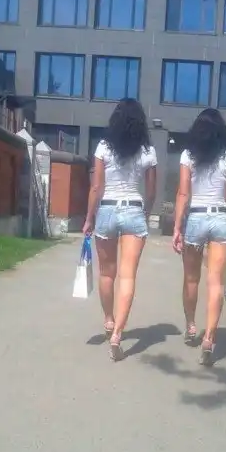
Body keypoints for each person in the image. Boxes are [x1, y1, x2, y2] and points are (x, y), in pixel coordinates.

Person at [82, 98, 157, 361]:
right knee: (128, 276)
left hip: (107, 210)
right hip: (134, 209)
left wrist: (89, 218)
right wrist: (146, 213)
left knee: (107, 273)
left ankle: (108, 320)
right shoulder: (148, 151)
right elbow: (151, 191)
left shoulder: (103, 146)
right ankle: (117, 335)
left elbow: (96, 187)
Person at [172, 108, 226, 365]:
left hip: (196, 218)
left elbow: (183, 194)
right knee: (215, 282)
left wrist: (177, 227)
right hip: (221, 219)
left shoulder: (188, 156)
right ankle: (209, 338)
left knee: (191, 279)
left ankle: (191, 326)